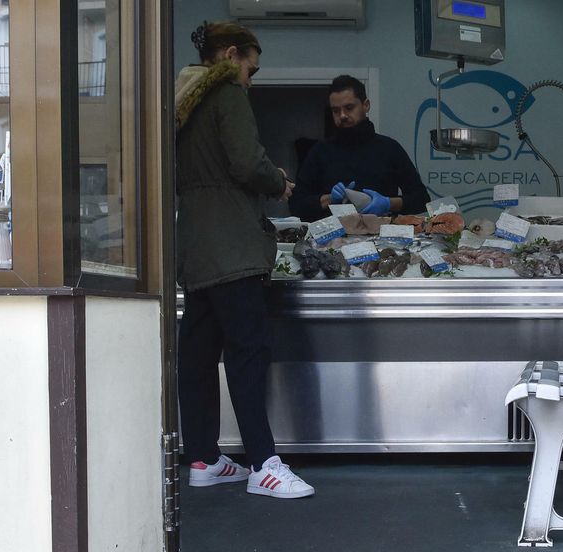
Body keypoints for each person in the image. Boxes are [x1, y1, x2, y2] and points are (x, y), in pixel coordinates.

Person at [174, 21, 314, 499]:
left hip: (194, 246)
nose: (251, 79)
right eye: (250, 68)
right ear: (230, 55)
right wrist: (278, 180)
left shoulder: (179, 101)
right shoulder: (225, 92)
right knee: (248, 352)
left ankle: (204, 458)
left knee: (195, 355)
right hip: (233, 243)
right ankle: (263, 464)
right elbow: (244, 162)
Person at [288, 75, 429, 221]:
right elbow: (296, 204)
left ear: (366, 105)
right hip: (332, 239)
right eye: (336, 110)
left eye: (349, 108)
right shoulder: (319, 152)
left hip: (383, 239)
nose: (342, 115)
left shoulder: (390, 149)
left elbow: (422, 200)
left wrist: (388, 203)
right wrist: (329, 199)